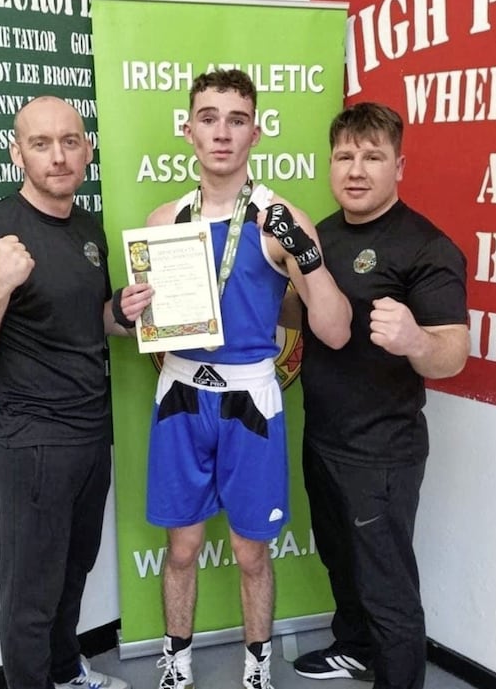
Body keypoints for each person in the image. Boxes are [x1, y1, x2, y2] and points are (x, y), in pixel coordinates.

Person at [144, 69, 352, 689]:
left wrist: (307, 259)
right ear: (188, 129)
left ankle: (256, 668)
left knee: (250, 551)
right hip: (181, 390)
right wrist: (137, 312)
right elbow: (150, 326)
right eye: (208, 118)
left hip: (249, 398)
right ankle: (176, 663)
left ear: (255, 133)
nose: (222, 133)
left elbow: (336, 330)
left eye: (236, 120)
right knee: (180, 549)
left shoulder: (280, 217)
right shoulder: (164, 218)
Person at [0, 95, 152, 689]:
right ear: (17, 153)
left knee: (73, 571)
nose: (59, 157)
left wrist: (124, 311)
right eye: (41, 144)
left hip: (90, 433)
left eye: (70, 141)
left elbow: (91, 319)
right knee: (31, 594)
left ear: (86, 149)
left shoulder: (87, 228)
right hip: (33, 443)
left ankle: (66, 672)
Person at [290, 102, 470, 689]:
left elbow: (451, 354)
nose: (357, 169)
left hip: (382, 452)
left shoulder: (426, 247)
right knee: (340, 562)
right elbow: (299, 313)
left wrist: (416, 337)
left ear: (400, 165)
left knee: (387, 587)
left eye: (373, 156)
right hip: (323, 437)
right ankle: (355, 648)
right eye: (345, 156)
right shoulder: (321, 235)